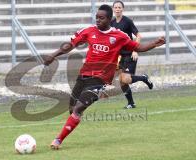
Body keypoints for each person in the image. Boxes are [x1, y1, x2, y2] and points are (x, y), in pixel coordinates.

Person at [44, 4, 165, 150]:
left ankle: (58, 140)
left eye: (101, 18)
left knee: (77, 110)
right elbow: (70, 45)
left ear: (109, 19)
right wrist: (53, 55)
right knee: (72, 110)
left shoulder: (119, 36)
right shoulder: (89, 31)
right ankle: (74, 119)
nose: (98, 20)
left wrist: (154, 44)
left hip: (99, 80)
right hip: (83, 76)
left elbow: (137, 47)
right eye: (96, 17)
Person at [111, 0, 152, 109]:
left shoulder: (127, 21)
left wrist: (135, 50)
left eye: (119, 7)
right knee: (121, 81)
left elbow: (138, 35)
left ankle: (144, 78)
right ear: (113, 9)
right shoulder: (112, 23)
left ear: (122, 9)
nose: (117, 9)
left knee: (126, 79)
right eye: (116, 7)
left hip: (130, 54)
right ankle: (131, 103)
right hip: (119, 56)